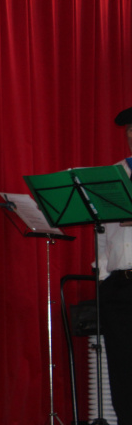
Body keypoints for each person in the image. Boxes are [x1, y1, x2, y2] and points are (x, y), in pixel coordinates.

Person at [97, 105, 132, 425]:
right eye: (130, 130)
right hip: (120, 284)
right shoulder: (113, 175)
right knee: (122, 369)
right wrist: (103, 273)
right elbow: (104, 232)